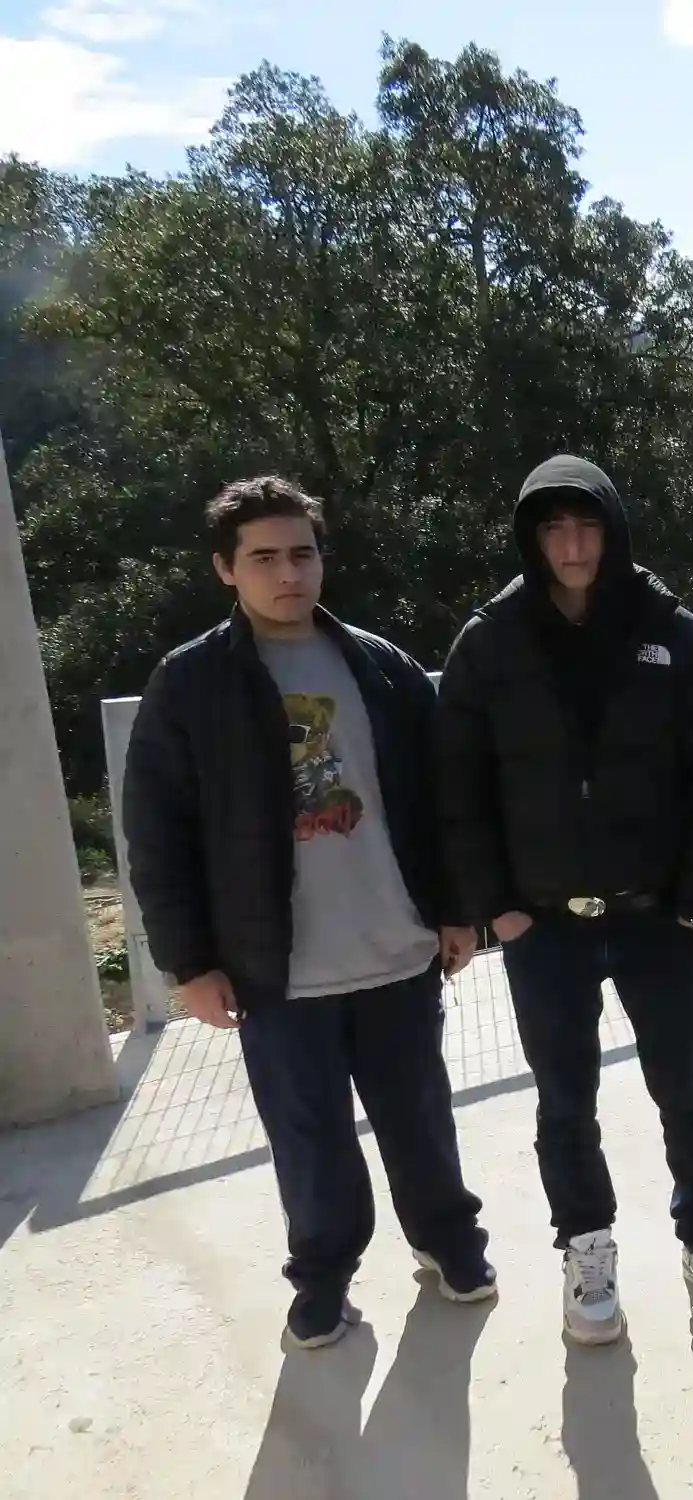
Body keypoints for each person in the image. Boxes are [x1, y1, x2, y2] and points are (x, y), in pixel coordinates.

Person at [123, 477, 492, 1352]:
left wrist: (458, 911)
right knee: (309, 1140)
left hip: (397, 950)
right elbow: (156, 832)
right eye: (264, 557)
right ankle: (323, 1283)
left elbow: (445, 803)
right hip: (276, 968)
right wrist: (190, 963)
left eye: (302, 552)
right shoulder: (191, 684)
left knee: (421, 1119)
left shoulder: (384, 667)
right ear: (226, 569)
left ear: (322, 559)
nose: (288, 572)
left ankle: (451, 1246)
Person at [435, 454, 693, 1345]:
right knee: (564, 1097)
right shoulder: (491, 641)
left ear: (613, 532)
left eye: (587, 526)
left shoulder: (673, 634)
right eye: (553, 528)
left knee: (684, 1086)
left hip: (657, 915)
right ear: (531, 538)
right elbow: (456, 786)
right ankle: (587, 1248)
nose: (572, 546)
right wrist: (493, 903)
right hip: (545, 924)